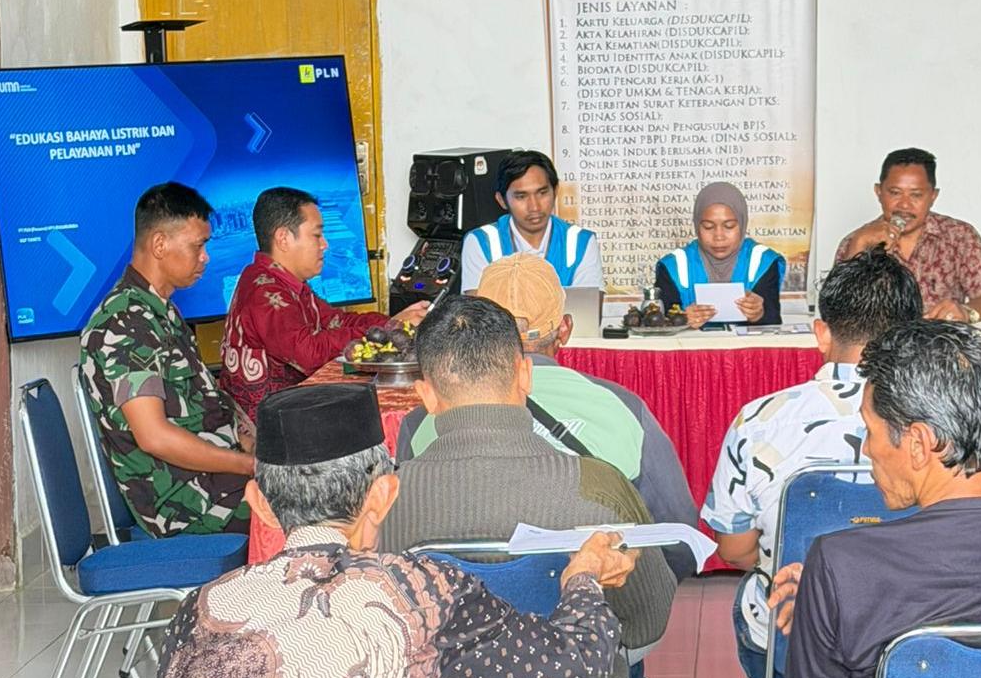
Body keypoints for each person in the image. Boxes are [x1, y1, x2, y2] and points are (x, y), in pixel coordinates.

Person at [157, 383, 637, 678]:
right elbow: (578, 665)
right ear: (384, 494)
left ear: (259, 503)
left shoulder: (200, 608)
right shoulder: (424, 593)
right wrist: (583, 576)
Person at [770, 320, 981, 678]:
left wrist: (827, 597)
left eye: (870, 431)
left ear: (919, 444)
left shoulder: (839, 563)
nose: (867, 449)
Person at [380, 295, 677, 676]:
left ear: (426, 396)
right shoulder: (600, 488)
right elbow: (648, 625)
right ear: (525, 376)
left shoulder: (383, 504)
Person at [397, 253, 699, 579]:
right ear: (564, 329)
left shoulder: (421, 421)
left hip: (455, 601)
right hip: (595, 598)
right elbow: (678, 535)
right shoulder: (623, 407)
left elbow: (405, 531)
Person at [701, 247, 923, 678]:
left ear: (821, 333)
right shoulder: (947, 424)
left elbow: (734, 549)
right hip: (910, 642)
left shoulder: (758, 421)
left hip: (791, 638)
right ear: (912, 336)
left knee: (754, 594)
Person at [80, 182, 254, 537]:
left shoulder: (161, 312)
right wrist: (249, 465)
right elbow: (154, 436)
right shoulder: (125, 323)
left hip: (214, 477)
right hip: (186, 503)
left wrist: (249, 440)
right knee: (320, 502)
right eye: (198, 245)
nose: (205, 257)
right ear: (159, 244)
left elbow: (202, 403)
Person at [221, 187, 429, 420]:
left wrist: (393, 323)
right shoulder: (264, 291)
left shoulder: (282, 282)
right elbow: (308, 352)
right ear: (283, 239)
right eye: (317, 235)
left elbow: (337, 320)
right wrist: (389, 328)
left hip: (292, 408)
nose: (325, 244)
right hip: (268, 423)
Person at [835, 147, 981, 321]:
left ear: (933, 196)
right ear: (879, 192)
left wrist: (966, 313)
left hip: (940, 338)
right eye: (895, 193)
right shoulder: (856, 241)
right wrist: (858, 246)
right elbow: (837, 313)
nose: (904, 205)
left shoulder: (959, 236)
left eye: (916, 195)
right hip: (880, 339)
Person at [460, 150, 603, 291]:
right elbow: (476, 306)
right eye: (521, 196)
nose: (534, 207)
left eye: (542, 193)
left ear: (555, 191)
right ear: (502, 200)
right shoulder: (481, 242)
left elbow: (587, 305)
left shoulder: (581, 241)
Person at [655, 182, 786, 326]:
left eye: (729, 226)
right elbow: (656, 321)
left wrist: (759, 314)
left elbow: (773, 320)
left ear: (742, 224)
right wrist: (680, 319)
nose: (719, 236)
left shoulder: (763, 261)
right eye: (708, 227)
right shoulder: (673, 266)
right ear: (697, 226)